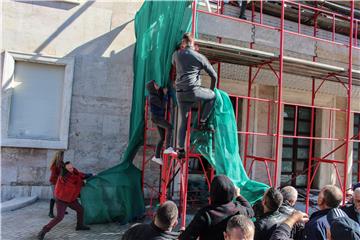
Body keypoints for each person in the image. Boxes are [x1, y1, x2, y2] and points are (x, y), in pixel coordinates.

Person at [172, 32, 218, 158]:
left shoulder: (176, 55)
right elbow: (214, 75)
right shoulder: (199, 57)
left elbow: (173, 64)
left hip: (180, 93)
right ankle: (202, 122)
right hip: (193, 91)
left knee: (183, 122)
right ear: (193, 43)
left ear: (183, 43)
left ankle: (180, 150)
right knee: (212, 96)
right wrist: (212, 90)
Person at [179, 175, 254, 240]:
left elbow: (186, 237)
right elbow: (250, 211)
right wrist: (238, 195)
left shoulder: (206, 214)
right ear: (232, 192)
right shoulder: (239, 209)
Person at [38, 162, 93, 240]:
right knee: (59, 217)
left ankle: (79, 225)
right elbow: (75, 183)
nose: (71, 169)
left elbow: (80, 175)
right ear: (65, 169)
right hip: (61, 199)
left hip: (71, 199)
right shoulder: (63, 177)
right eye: (69, 168)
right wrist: (83, 182)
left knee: (80, 209)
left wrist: (89, 175)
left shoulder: (74, 172)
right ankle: (43, 231)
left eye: (72, 167)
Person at [146, 80, 177, 165]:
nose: (157, 85)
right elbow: (162, 105)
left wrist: (166, 91)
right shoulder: (152, 97)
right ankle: (167, 147)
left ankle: (156, 156)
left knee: (162, 137)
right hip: (157, 118)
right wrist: (165, 95)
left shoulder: (155, 93)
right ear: (153, 87)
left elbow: (163, 92)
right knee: (170, 127)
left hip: (158, 117)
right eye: (155, 84)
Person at [48, 150, 64, 218]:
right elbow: (54, 175)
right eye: (62, 156)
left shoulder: (61, 163)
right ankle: (50, 212)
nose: (63, 157)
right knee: (55, 197)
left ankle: (60, 210)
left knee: (60, 196)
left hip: (59, 182)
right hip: (54, 182)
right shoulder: (54, 165)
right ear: (59, 156)